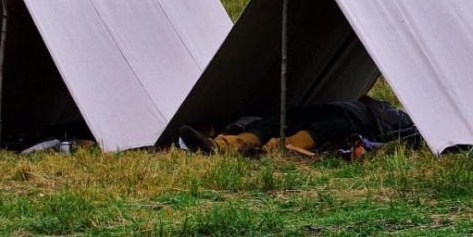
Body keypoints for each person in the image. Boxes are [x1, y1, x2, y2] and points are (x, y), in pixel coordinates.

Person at [178, 96, 417, 156]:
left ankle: (272, 149)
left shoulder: (413, 125)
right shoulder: (402, 115)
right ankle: (222, 144)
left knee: (327, 127)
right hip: (344, 106)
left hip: (357, 119)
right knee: (285, 117)